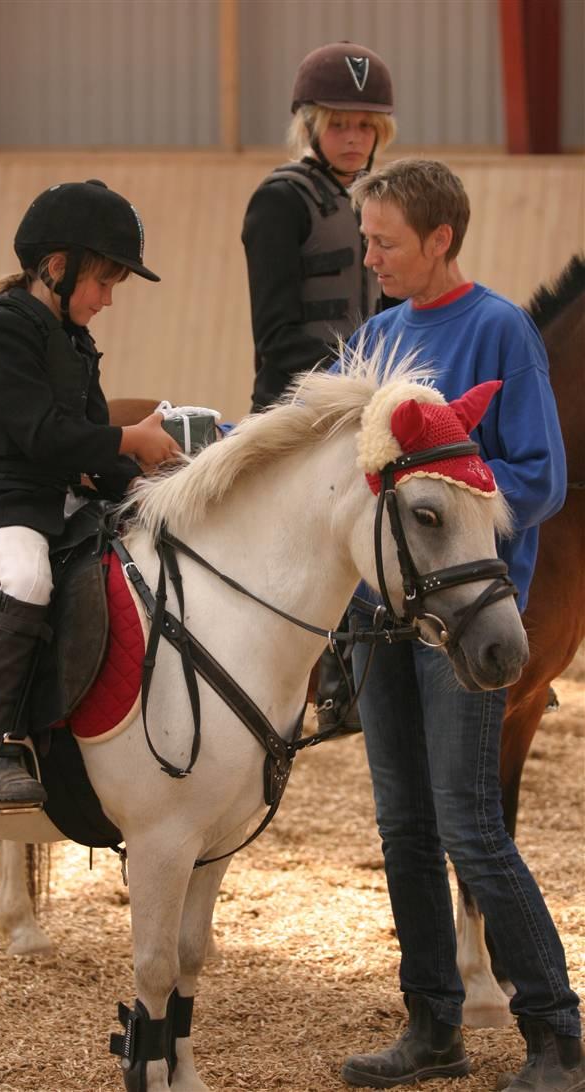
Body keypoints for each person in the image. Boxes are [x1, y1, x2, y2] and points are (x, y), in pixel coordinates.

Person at [334, 159, 582, 1091]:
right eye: (366, 240)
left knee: (471, 828)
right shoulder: (377, 336)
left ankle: (556, 1035)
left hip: (464, 619)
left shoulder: (501, 330)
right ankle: (433, 1029)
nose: (371, 257)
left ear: (440, 239)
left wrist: (437, 495)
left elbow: (540, 478)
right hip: (380, 617)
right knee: (403, 828)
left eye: (385, 242)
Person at [0, 179, 180, 812]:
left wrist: (146, 484)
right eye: (102, 282)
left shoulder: (73, 338)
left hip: (53, 498)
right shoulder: (2, 327)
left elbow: (89, 448)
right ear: (56, 268)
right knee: (27, 579)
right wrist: (130, 438)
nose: (107, 299)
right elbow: (44, 435)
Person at [241, 40, 397, 735]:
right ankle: (337, 672)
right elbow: (276, 334)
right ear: (310, 124)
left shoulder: (382, 198)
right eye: (339, 124)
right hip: (301, 400)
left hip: (371, 396)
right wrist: (351, 387)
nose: (354, 137)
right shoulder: (280, 201)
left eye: (365, 125)